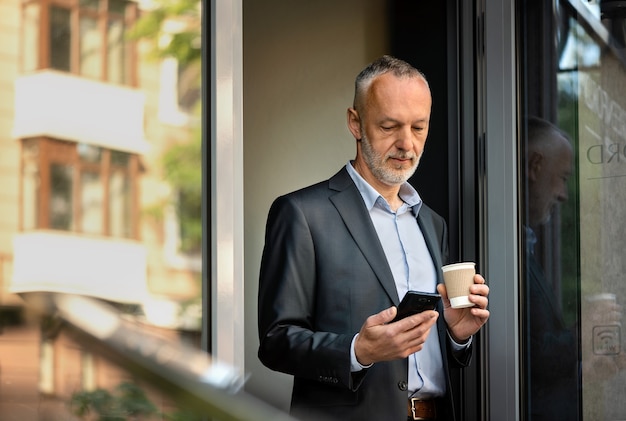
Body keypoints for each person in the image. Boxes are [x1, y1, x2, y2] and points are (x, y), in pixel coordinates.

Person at [257, 55, 490, 421]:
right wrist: (357, 351)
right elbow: (276, 342)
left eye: (418, 127)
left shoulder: (433, 223)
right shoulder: (302, 213)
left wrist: (457, 335)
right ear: (356, 123)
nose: (406, 144)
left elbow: (431, 354)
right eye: (389, 126)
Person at [524, 116, 621, 420]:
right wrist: (582, 335)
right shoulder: (499, 252)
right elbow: (521, 356)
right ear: (535, 166)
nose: (564, 194)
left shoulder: (519, 247)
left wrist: (583, 373)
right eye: (563, 177)